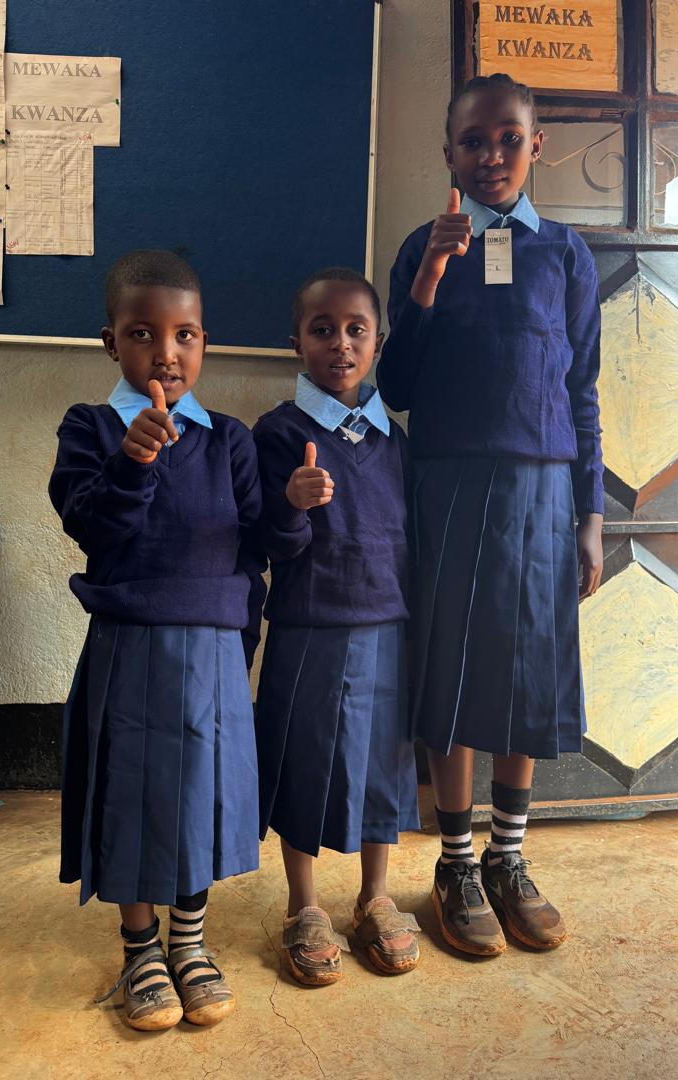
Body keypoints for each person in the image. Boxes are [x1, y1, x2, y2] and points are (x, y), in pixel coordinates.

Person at [377, 74, 604, 956]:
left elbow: (581, 391)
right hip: (450, 484)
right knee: (456, 664)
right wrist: (432, 276)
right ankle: (457, 861)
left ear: (536, 145)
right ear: (448, 155)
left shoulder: (566, 256)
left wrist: (589, 514)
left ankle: (508, 857)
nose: (492, 156)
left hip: (543, 492)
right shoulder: (420, 249)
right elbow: (397, 386)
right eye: (473, 142)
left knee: (526, 666)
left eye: (509, 138)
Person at [49, 250, 264, 1030]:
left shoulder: (230, 439)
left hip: (212, 651)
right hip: (131, 644)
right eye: (143, 334)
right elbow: (92, 528)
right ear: (112, 342)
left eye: (185, 335)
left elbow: (253, 543)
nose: (166, 353)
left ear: (204, 341)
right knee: (133, 796)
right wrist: (134, 460)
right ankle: (140, 947)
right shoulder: (89, 429)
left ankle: (190, 941)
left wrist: (298, 512)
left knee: (200, 796)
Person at [253, 267, 421, 985]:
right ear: (296, 342)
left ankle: (375, 896)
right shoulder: (278, 433)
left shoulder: (396, 442)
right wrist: (291, 503)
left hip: (387, 624)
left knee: (384, 763)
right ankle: (304, 905)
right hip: (309, 624)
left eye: (357, 330)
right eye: (322, 330)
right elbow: (265, 540)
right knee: (304, 759)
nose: (340, 344)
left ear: (378, 342)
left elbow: (413, 540)